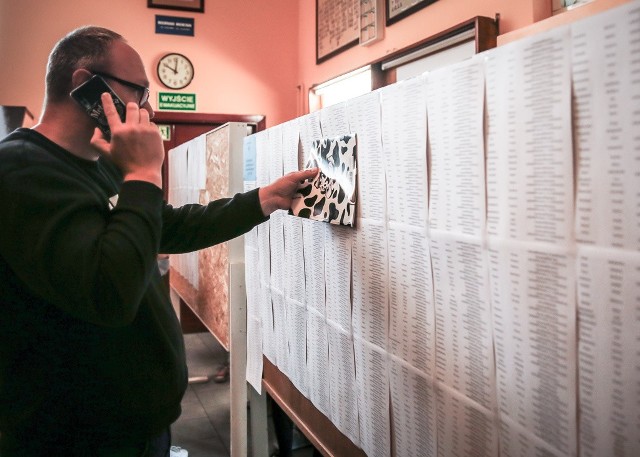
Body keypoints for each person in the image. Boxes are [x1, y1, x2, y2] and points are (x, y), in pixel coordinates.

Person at [0, 26, 317, 457]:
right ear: (83, 85)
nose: (147, 108)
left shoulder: (100, 165)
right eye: (140, 92)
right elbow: (108, 292)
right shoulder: (20, 171)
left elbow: (168, 227)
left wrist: (264, 199)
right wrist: (145, 173)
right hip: (77, 435)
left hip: (135, 422)